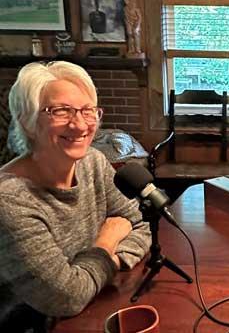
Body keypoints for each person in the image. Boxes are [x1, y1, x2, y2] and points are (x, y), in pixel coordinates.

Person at [0, 61, 151, 331]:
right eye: (60, 111)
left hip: (94, 307)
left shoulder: (92, 162)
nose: (80, 124)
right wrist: (107, 242)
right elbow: (67, 297)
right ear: (27, 120)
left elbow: (140, 224)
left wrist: (95, 270)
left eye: (87, 110)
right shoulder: (8, 199)